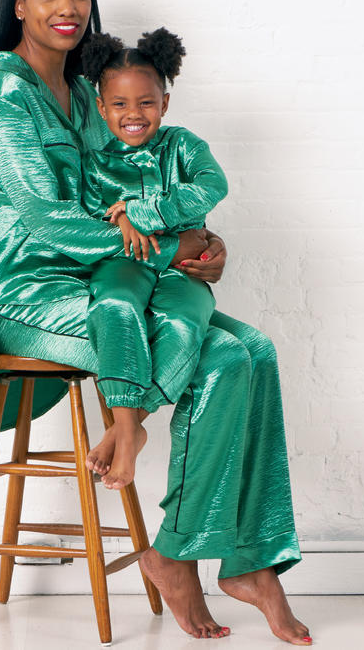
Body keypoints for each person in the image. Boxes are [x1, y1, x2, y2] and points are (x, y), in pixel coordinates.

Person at [0, 0, 311, 643]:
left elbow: (138, 188)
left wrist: (201, 244)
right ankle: (180, 555)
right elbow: (51, 222)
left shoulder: (87, 90)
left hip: (112, 279)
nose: (67, 8)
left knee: (254, 350)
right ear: (18, 6)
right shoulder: (5, 98)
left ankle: (239, 559)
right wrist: (169, 249)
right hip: (27, 294)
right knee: (221, 358)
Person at [79, 27, 227, 490]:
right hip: (124, 264)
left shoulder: (184, 146)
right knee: (114, 305)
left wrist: (138, 211)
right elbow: (93, 226)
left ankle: (126, 428)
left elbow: (212, 185)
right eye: (119, 104)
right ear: (101, 107)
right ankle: (129, 433)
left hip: (183, 271)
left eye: (146, 102)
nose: (133, 114)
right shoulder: (95, 164)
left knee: (184, 324)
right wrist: (121, 222)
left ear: (164, 103)